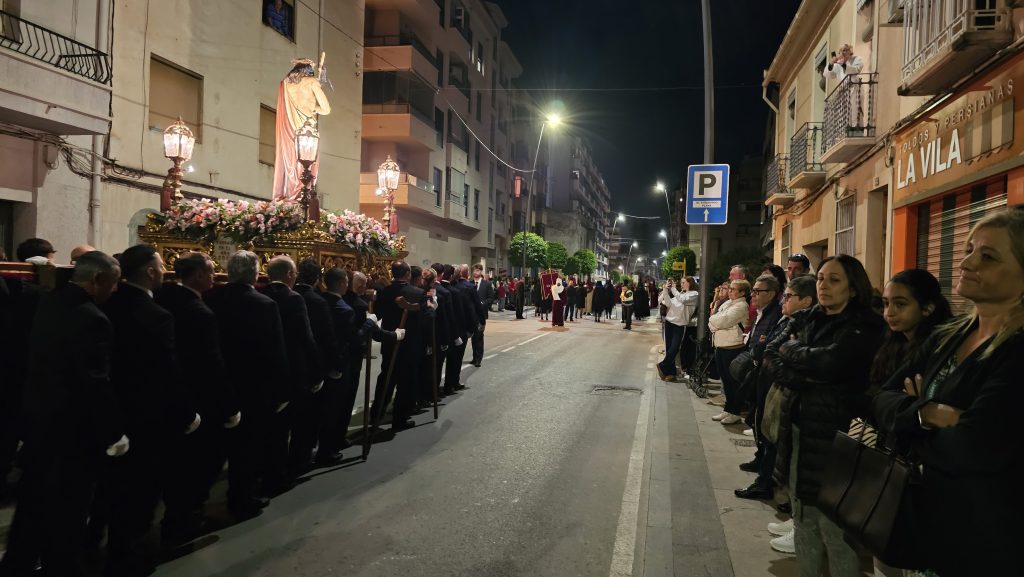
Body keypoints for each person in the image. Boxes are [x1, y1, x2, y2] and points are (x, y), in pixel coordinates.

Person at [874, 209, 1024, 576]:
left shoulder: (1017, 350)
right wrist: (928, 414)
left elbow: (973, 448)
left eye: (987, 257)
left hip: (984, 542)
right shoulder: (949, 334)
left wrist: (908, 417)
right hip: (928, 527)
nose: (966, 261)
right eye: (970, 248)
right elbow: (878, 398)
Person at [1, 251, 126, 577]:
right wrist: (113, 433)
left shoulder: (48, 303)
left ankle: (17, 564)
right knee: (68, 511)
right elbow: (94, 384)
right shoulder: (92, 318)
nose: (114, 292)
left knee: (31, 506)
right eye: (112, 284)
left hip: (39, 423)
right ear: (97, 280)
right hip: (72, 434)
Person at [764, 255, 885, 577]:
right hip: (801, 431)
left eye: (834, 280)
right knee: (804, 518)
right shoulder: (810, 318)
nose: (824, 286)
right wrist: (805, 370)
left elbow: (831, 364)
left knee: (834, 528)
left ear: (854, 288)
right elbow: (771, 354)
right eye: (821, 279)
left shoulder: (864, 326)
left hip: (839, 439)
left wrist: (796, 359)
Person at [100, 244, 199, 575]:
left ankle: (112, 547)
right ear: (149, 271)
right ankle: (133, 557)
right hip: (148, 418)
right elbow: (167, 371)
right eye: (159, 265)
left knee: (114, 490)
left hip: (114, 412)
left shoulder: (108, 302)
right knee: (143, 491)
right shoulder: (155, 314)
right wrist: (187, 414)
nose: (163, 271)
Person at [154, 252, 239, 545]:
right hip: (200, 400)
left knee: (176, 464)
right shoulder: (199, 311)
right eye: (211, 271)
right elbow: (212, 364)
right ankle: (185, 520)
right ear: (198, 275)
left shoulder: (163, 298)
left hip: (168, 397)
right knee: (200, 463)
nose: (215, 276)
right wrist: (229, 406)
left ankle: (177, 516)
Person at [204, 251, 290, 519]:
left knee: (216, 445)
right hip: (254, 385)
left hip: (218, 381)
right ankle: (242, 498)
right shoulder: (263, 304)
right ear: (255, 273)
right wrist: (281, 389)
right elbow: (275, 350)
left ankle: (196, 503)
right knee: (248, 447)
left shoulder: (211, 297)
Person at [759, 274, 818, 555]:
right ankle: (797, 521)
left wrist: (788, 366)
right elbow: (772, 350)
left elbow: (811, 365)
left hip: (814, 413)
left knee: (804, 471)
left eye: (789, 296)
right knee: (793, 467)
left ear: (806, 300)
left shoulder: (820, 326)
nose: (785, 300)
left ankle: (802, 530)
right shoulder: (797, 322)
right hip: (795, 404)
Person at [259, 256, 323, 484]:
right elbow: (306, 338)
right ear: (288, 274)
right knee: (296, 421)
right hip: (295, 368)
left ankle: (267, 468)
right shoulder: (294, 299)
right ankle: (289, 468)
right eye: (294, 272)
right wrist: (317, 371)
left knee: (272, 426)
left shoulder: (262, 294)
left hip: (266, 367)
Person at [733, 274, 783, 500]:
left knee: (764, 426)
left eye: (757, 291)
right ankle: (759, 460)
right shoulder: (766, 312)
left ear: (771, 294)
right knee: (757, 421)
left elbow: (768, 347)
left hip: (767, 376)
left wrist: (760, 349)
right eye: (752, 290)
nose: (753, 295)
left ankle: (765, 479)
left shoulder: (776, 315)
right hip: (759, 375)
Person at [293, 258, 346, 467]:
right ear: (317, 278)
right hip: (314, 364)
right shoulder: (318, 301)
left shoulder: (289, 295)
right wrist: (337, 365)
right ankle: (303, 457)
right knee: (312, 415)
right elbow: (327, 337)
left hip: (291, 362)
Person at [371, 261, 431, 431]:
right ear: (408, 274)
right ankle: (400, 419)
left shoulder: (384, 292)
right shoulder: (418, 293)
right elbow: (424, 321)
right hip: (410, 344)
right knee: (406, 382)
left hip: (390, 341)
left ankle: (376, 414)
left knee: (386, 378)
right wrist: (431, 309)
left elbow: (377, 314)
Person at [273, 58, 331, 202]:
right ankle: (301, 194)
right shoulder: (312, 82)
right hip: (307, 131)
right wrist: (312, 108)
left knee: (290, 158)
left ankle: (289, 193)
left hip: (289, 129)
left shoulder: (285, 84)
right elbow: (326, 109)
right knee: (306, 162)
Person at [709, 279, 751, 425]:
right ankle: (728, 409)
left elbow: (721, 321)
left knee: (733, 382)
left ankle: (735, 412)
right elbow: (713, 317)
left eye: (734, 289)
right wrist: (715, 322)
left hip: (732, 348)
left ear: (742, 292)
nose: (730, 291)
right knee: (726, 382)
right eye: (730, 288)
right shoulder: (728, 303)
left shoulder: (741, 306)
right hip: (720, 346)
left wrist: (715, 322)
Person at [657, 277, 699, 381]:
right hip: (669, 322)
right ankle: (670, 373)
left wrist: (674, 289)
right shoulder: (680, 293)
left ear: (690, 283)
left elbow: (682, 300)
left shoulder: (694, 294)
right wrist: (666, 290)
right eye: (681, 282)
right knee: (669, 348)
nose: (682, 284)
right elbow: (668, 303)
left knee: (675, 348)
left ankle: (663, 365)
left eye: (683, 282)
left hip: (680, 324)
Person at [470, 264, 494, 367]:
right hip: (471, 315)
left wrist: (483, 303)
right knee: (473, 337)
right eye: (474, 270)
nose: (475, 272)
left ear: (481, 272)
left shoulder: (486, 284)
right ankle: (474, 356)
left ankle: (478, 359)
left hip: (481, 314)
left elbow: (491, 298)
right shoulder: (469, 283)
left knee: (479, 336)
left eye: (477, 270)